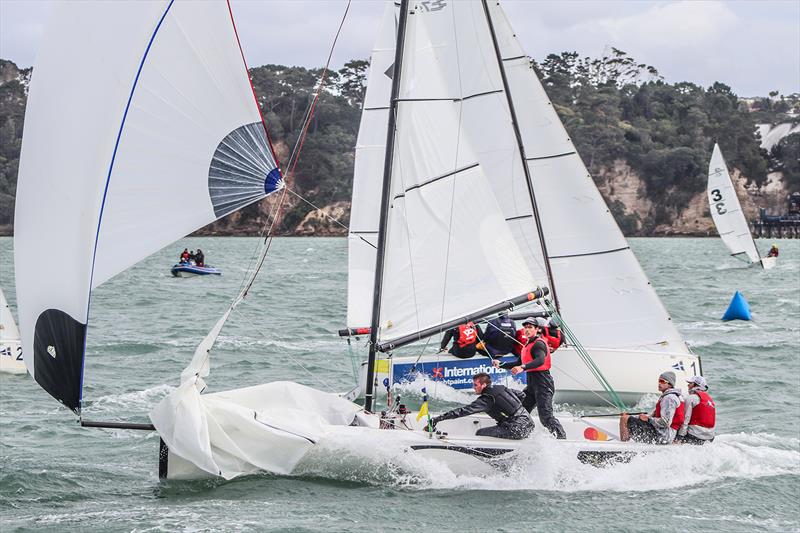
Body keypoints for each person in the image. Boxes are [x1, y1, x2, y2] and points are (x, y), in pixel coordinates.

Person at [493, 317, 566, 439]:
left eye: (530, 327)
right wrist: (500, 364)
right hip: (532, 385)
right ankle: (520, 433)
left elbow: (540, 360)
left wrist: (523, 367)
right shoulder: (527, 344)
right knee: (520, 410)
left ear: (537, 329)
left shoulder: (538, 343)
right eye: (525, 327)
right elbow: (517, 362)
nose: (527, 330)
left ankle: (562, 438)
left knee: (546, 417)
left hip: (543, 384)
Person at [427, 373, 533, 439]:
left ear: (484, 385)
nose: (474, 388)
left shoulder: (486, 399)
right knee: (499, 424)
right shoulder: (501, 387)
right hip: (529, 424)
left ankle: (494, 461)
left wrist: (438, 419)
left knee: (480, 433)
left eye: (475, 385)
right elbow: (522, 395)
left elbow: (463, 411)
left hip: (517, 429)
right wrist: (512, 413)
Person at [620, 371, 684, 444]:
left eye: (662, 381)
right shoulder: (670, 397)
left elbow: (665, 422)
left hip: (663, 436)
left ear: (670, 384)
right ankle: (627, 444)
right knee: (626, 417)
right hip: (662, 433)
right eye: (659, 381)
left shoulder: (669, 398)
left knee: (624, 419)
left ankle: (624, 448)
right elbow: (652, 416)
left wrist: (648, 419)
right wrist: (631, 415)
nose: (659, 383)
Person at [676, 376, 715, 445]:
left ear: (696, 385)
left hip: (694, 436)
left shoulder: (690, 398)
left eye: (690, 383)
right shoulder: (710, 399)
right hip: (710, 437)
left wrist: (680, 437)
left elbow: (685, 419)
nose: (688, 385)